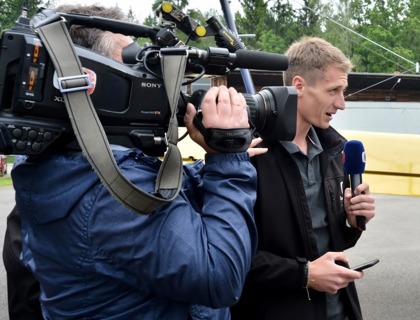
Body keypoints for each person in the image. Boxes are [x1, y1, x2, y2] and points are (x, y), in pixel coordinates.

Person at [4, 4, 264, 319]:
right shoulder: (105, 193)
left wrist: (210, 170)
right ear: (87, 75)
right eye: (130, 60)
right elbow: (220, 276)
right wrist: (229, 165)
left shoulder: (69, 165)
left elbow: (157, 204)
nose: (144, 73)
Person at [229, 36, 376, 320]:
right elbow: (231, 259)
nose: (342, 104)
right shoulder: (249, 157)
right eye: (334, 90)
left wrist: (351, 221)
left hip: (340, 310)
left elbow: (323, 241)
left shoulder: (334, 152)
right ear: (299, 86)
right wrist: (304, 275)